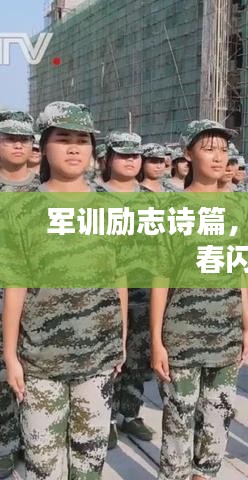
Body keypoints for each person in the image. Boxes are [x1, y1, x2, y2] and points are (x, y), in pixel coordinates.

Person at [2, 101, 128, 479]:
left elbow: (119, 277)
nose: (74, 149)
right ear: (44, 147)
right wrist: (10, 355)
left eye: (82, 140)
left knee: (89, 462)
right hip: (41, 359)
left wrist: (121, 337)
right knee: (43, 464)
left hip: (98, 356)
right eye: (63, 139)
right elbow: (15, 284)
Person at [150, 120, 248, 480]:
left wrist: (247, 322)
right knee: (179, 420)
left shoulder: (238, 207)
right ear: (187, 154)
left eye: (223, 149)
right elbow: (160, 278)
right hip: (183, 335)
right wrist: (156, 340)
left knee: (217, 418)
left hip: (226, 332)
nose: (218, 156)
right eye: (209, 149)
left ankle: (205, 473)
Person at [99, 131, 157, 448]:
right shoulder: (94, 196)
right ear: (109, 158)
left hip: (144, 294)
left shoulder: (151, 199)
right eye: (123, 154)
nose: (130, 160)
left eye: (135, 155)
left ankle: (130, 414)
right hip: (107, 297)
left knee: (138, 359)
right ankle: (105, 418)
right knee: (110, 359)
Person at [0, 110, 38, 479]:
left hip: (36, 301)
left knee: (31, 373)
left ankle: (30, 440)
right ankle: (5, 446)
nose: (17, 145)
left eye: (24, 139)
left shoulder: (46, 189)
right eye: (10, 138)